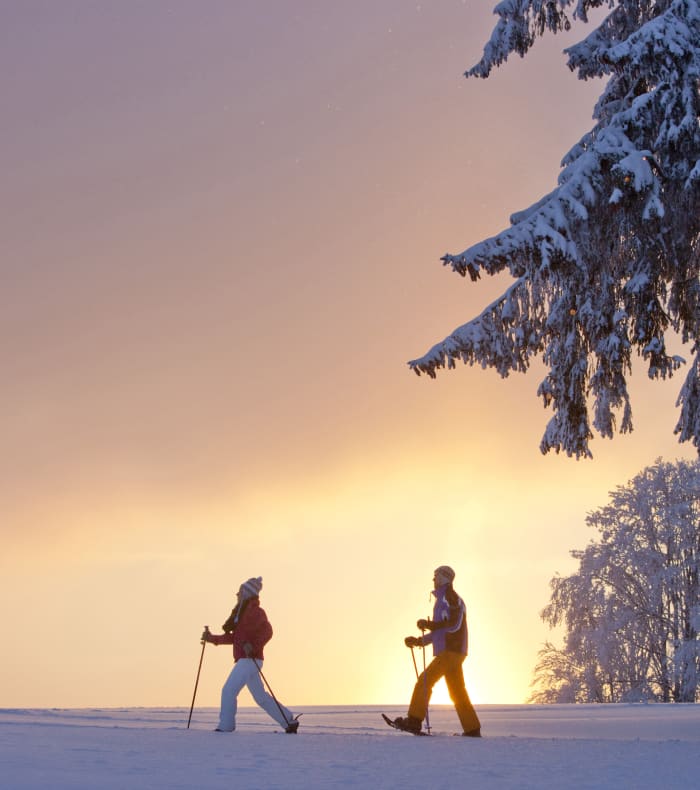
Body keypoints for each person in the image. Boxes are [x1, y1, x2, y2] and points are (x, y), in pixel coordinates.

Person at [393, 565, 481, 737]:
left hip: (450, 651)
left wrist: (430, 625)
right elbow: (439, 632)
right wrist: (419, 641)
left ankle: (414, 721)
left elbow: (454, 625)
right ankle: (472, 729)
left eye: (436, 576)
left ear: (444, 578)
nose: (433, 580)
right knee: (457, 691)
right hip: (454, 652)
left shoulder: (451, 598)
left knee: (424, 681)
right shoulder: (443, 600)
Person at [202, 576, 299, 733]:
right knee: (260, 697)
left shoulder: (256, 612)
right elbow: (235, 638)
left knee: (228, 690)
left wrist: (253, 646)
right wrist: (212, 638)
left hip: (249, 659)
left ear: (247, 593)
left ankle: (226, 726)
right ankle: (288, 721)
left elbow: (268, 631)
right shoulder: (241, 614)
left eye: (240, 591)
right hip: (249, 659)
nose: (237, 594)